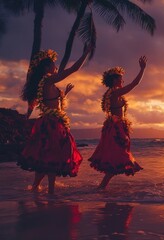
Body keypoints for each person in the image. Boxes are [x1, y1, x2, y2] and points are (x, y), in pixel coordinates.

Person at [19, 47, 91, 194]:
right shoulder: (48, 79)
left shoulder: (46, 82)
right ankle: (51, 191)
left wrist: (65, 93)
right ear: (46, 67)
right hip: (51, 124)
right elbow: (74, 69)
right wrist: (85, 53)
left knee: (45, 158)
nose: (56, 67)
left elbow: (54, 102)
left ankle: (34, 187)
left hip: (51, 122)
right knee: (52, 156)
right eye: (53, 64)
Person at [88, 56, 147, 189]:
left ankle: (102, 187)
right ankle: (101, 187)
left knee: (117, 157)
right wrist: (142, 69)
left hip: (116, 127)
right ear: (115, 80)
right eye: (120, 78)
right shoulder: (115, 93)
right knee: (117, 157)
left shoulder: (114, 93)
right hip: (116, 128)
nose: (123, 80)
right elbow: (134, 84)